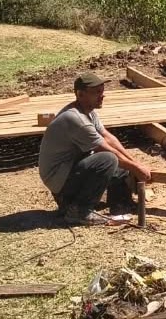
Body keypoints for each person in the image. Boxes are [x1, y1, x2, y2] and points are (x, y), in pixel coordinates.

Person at [38, 72, 152, 225]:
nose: (102, 95)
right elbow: (104, 148)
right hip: (60, 183)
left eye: (102, 91)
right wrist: (135, 168)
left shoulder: (89, 112)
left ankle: (121, 204)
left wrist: (135, 164)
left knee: (120, 160)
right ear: (80, 94)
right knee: (108, 159)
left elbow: (108, 138)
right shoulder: (76, 119)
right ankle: (78, 212)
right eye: (97, 92)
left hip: (69, 170)